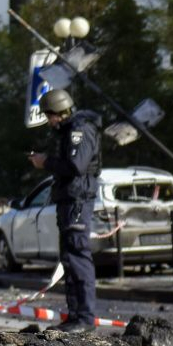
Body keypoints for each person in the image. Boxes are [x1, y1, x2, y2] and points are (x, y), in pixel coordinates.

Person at [29, 88, 101, 332]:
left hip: (77, 201)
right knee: (69, 258)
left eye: (49, 115)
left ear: (59, 111)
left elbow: (76, 165)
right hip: (70, 201)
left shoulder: (79, 131)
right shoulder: (70, 131)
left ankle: (84, 318)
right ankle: (76, 315)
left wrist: (45, 162)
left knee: (78, 257)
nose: (49, 121)